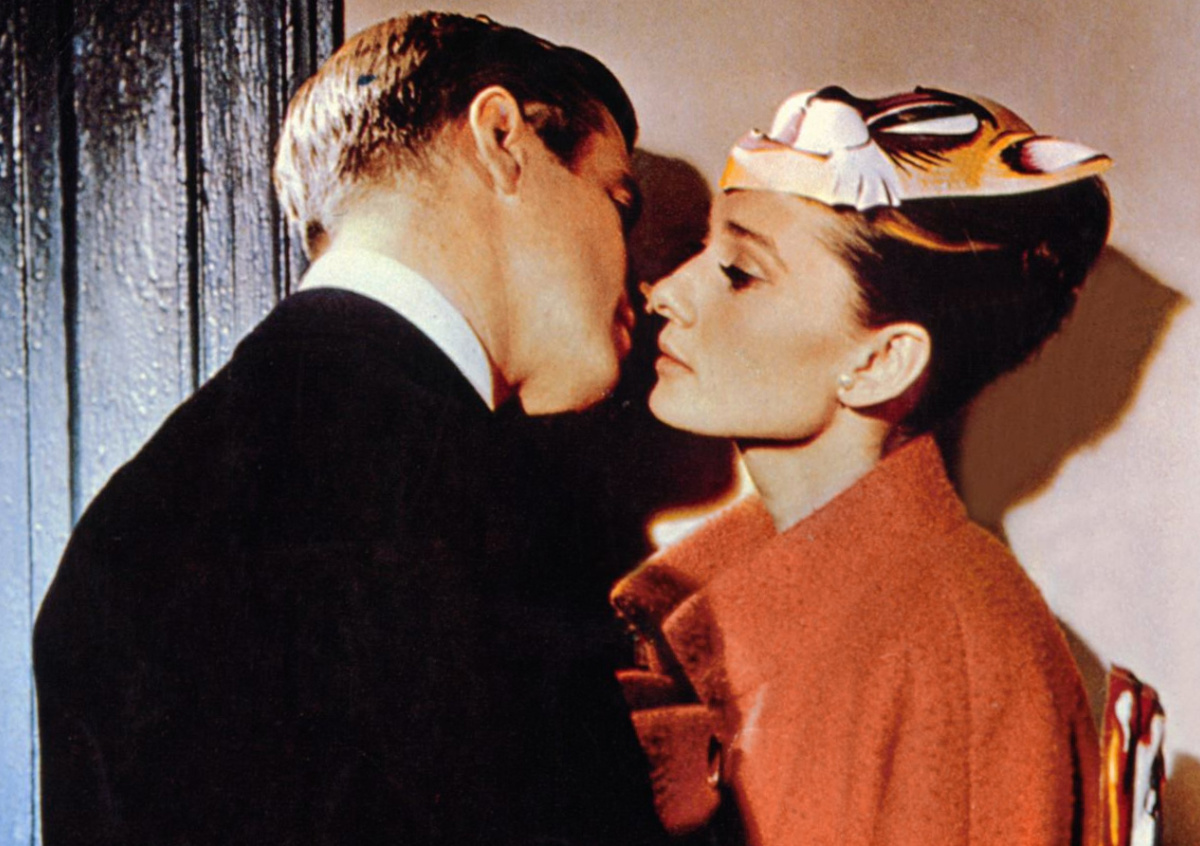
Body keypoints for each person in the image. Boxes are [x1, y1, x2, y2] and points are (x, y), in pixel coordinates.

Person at [34, 13, 666, 845]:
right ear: (501, 138)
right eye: (619, 202)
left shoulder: (122, 527)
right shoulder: (488, 495)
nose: (642, 282)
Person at [611, 86, 1112, 845]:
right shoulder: (683, 602)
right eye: (702, 252)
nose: (668, 293)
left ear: (880, 362)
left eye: (741, 272)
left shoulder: (959, 657)